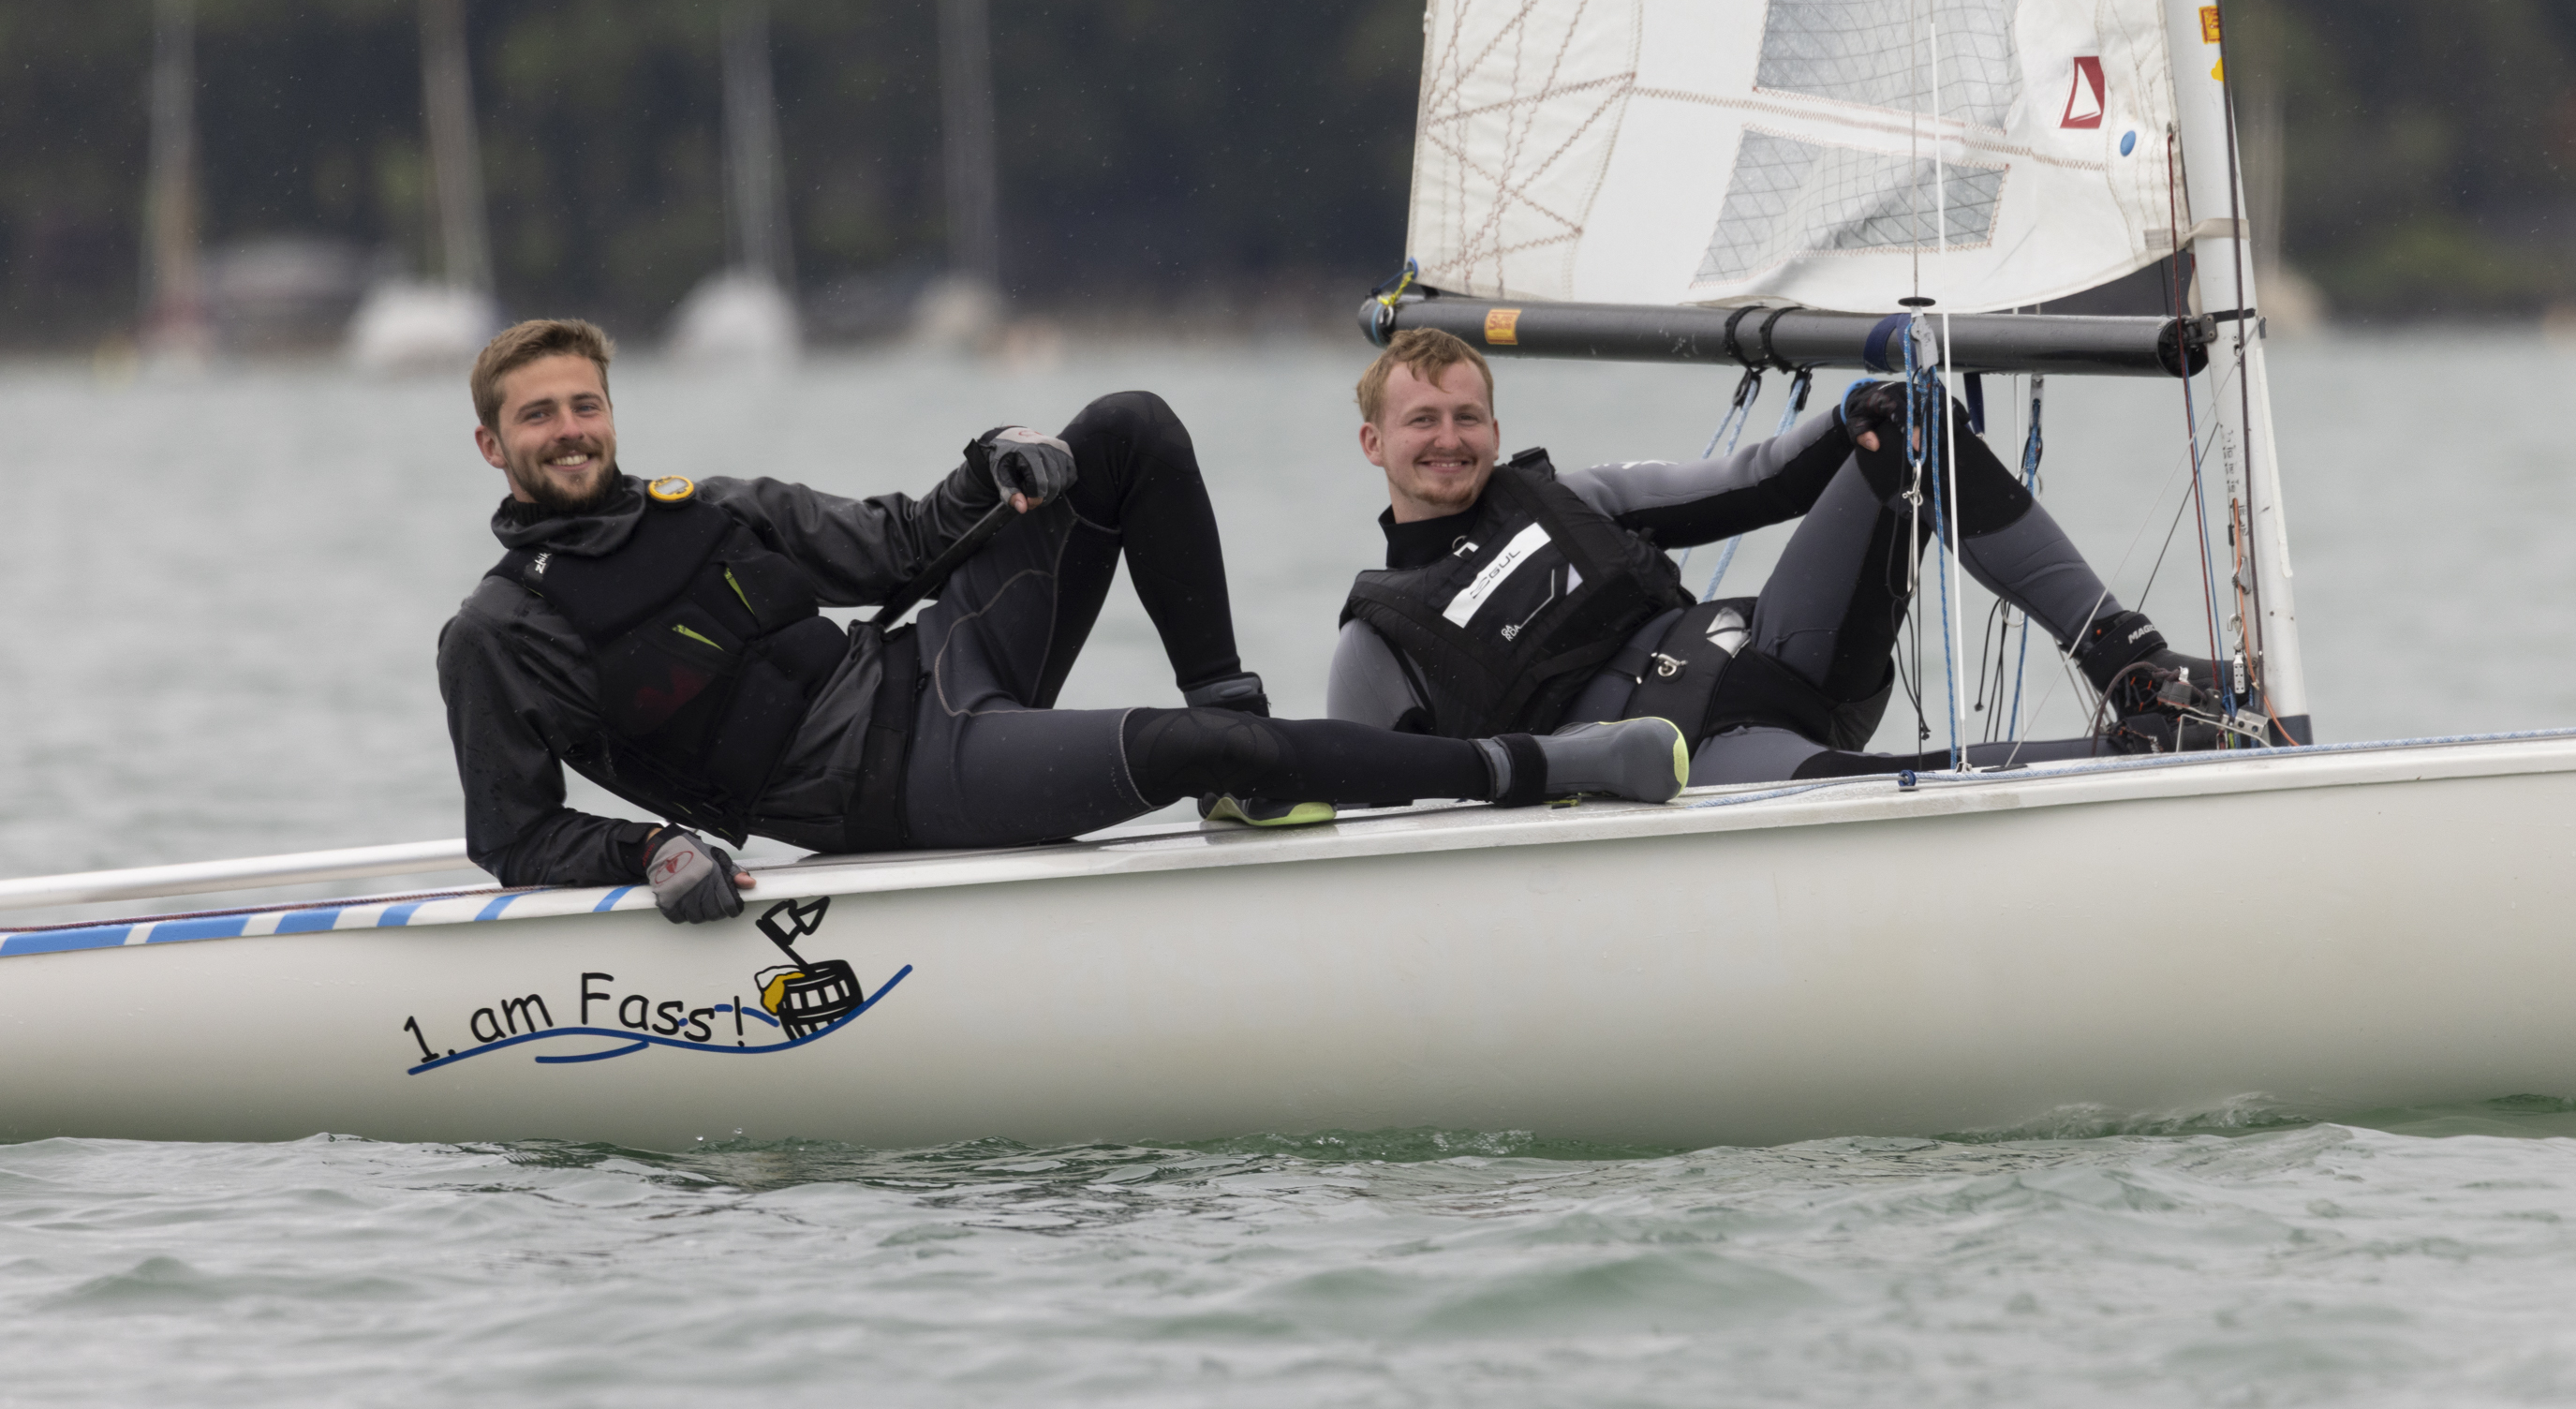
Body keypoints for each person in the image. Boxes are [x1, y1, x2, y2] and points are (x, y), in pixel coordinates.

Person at [439, 319, 1687, 924]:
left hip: (935, 663)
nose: (571, 430)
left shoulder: (709, 509)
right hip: (892, 788)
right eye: (539, 417)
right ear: (494, 445)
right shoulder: (498, 633)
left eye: (584, 405)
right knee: (1189, 750)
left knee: (1127, 427)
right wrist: (652, 853)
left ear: (611, 412)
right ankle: (1537, 769)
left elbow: (899, 541)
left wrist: (997, 458)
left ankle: (1241, 751)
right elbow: (515, 833)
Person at [1329, 327, 2238, 783]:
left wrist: (1847, 417)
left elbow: (1754, 481)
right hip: (1690, 763)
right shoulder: (1379, 641)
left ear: (1494, 430)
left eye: (1467, 417)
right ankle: (2142, 759)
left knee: (1908, 418)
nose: (1448, 439)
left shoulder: (1571, 497)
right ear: (1375, 444)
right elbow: (1395, 807)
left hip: (1783, 652)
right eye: (1422, 421)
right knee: (1899, 795)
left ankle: (2137, 671)